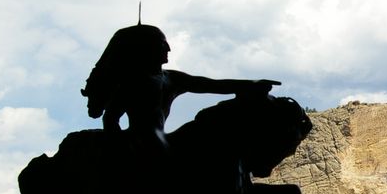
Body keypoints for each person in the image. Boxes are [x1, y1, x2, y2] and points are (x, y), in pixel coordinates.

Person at [81, 24, 279, 147]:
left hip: (162, 141)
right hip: (141, 145)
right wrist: (122, 146)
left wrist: (251, 84)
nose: (168, 47)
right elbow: (111, 118)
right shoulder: (134, 81)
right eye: (161, 42)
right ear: (146, 48)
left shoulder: (172, 78)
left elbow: (211, 85)